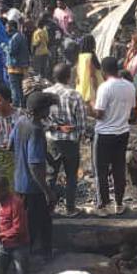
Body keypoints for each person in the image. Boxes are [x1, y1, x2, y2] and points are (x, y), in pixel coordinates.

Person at [12, 92, 56, 265]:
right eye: (48, 108)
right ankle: (40, 257)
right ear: (41, 110)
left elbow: (11, 145)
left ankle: (27, 256)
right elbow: (34, 165)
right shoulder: (36, 130)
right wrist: (47, 191)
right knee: (42, 222)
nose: (49, 112)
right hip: (33, 186)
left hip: (19, 182)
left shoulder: (21, 122)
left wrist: (49, 157)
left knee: (26, 222)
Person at [92, 57, 135, 215]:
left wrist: (90, 105)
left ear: (103, 71)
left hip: (104, 134)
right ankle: (118, 204)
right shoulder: (130, 86)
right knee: (119, 169)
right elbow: (132, 111)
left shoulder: (105, 87)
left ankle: (103, 207)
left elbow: (100, 114)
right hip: (122, 132)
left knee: (101, 171)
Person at [45, 62, 86, 216]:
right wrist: (79, 136)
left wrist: (54, 127)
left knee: (51, 175)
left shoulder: (46, 93)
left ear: (54, 77)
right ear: (69, 77)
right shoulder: (75, 95)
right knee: (71, 176)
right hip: (70, 142)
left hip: (51, 140)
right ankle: (70, 208)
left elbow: (42, 120)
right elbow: (81, 122)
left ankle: (48, 209)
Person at [5, 20, 30, 107]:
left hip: (14, 68)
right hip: (21, 67)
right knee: (20, 89)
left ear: (12, 27)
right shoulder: (22, 36)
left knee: (15, 89)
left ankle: (15, 106)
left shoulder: (15, 38)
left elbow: (12, 51)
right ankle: (23, 106)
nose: (6, 29)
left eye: (7, 27)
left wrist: (4, 47)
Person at [75, 34, 103, 108]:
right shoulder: (90, 56)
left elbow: (78, 72)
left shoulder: (80, 56)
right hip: (91, 85)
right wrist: (96, 88)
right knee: (94, 105)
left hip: (82, 84)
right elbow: (92, 74)